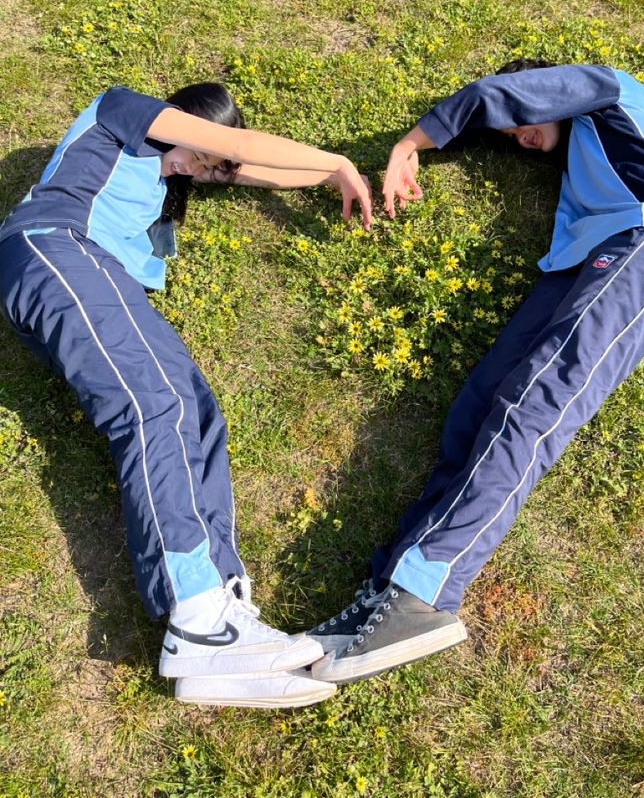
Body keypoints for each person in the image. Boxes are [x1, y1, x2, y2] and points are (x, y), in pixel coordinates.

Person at [309, 59, 644, 685]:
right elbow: (501, 112)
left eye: (522, 121)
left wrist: (411, 143)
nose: (521, 135)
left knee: (535, 405)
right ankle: (387, 589)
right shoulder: (584, 165)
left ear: (542, 91)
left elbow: (494, 95)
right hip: (592, 258)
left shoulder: (606, 89)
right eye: (510, 135)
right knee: (477, 408)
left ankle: (427, 590)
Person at [0, 82, 371, 708]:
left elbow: (258, 170)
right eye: (195, 156)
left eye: (204, 171)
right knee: (153, 406)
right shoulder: (122, 111)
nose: (194, 171)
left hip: (100, 278)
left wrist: (324, 179)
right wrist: (339, 161)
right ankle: (196, 615)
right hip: (55, 251)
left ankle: (224, 606)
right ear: (181, 123)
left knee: (198, 413)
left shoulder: (174, 172)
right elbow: (233, 145)